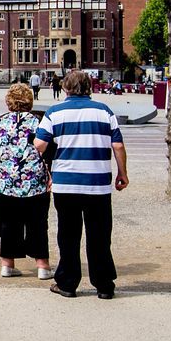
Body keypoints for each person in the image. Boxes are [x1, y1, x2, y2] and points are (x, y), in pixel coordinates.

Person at [35, 70, 128, 300]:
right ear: (90, 87)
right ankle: (104, 284)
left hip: (66, 183)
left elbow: (39, 145)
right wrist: (122, 173)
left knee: (68, 234)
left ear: (65, 88)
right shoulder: (104, 111)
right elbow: (117, 145)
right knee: (99, 235)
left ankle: (67, 282)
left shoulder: (54, 112)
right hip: (97, 183)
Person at [0, 84, 53, 280]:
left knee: (8, 223)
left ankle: (7, 265)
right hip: (35, 180)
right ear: (30, 101)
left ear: (8, 101)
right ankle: (43, 267)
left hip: (6, 181)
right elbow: (47, 147)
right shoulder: (39, 121)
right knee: (38, 223)